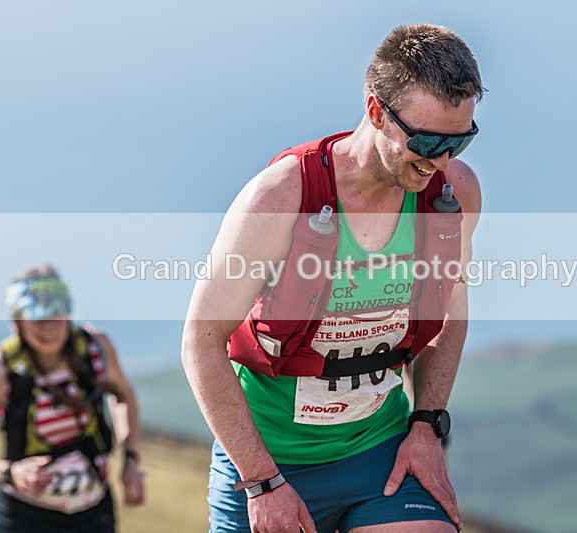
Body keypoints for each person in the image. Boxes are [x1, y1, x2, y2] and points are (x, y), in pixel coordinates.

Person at [183, 24, 483, 533]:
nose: (441, 161)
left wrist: (427, 427)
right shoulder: (281, 198)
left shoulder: (452, 198)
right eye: (427, 140)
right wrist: (261, 481)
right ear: (375, 112)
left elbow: (451, 315)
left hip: (381, 455)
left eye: (461, 141)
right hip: (273, 464)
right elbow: (201, 340)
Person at [0, 265, 145, 533]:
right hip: (26, 517)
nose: (51, 327)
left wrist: (130, 459)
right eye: (38, 319)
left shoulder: (95, 347)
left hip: (95, 510)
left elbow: (123, 397)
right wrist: (12, 473)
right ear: (17, 322)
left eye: (58, 315)